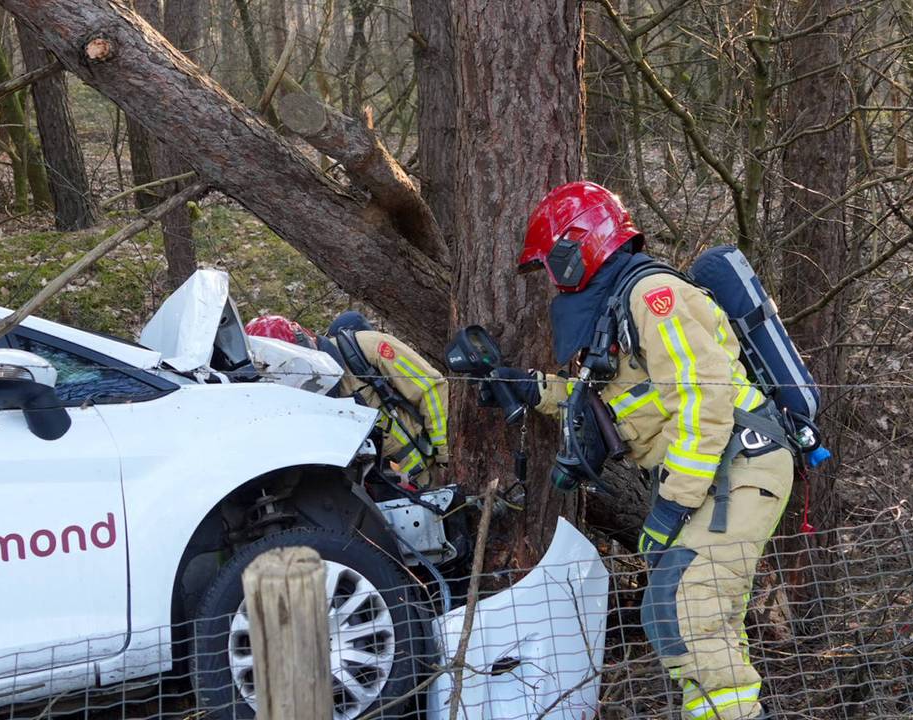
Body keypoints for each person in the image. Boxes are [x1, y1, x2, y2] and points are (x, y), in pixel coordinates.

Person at [501, 181, 792, 720]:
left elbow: (705, 402)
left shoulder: (653, 297)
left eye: (550, 263)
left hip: (739, 461)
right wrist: (529, 388)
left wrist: (672, 505)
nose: (551, 278)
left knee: (689, 611)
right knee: (687, 617)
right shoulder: (614, 308)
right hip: (713, 473)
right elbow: (604, 404)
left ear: (578, 245)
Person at [320, 311, 449, 487]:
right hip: (396, 475)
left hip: (381, 477)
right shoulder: (370, 344)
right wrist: (443, 451)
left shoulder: (322, 361)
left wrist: (443, 452)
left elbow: (430, 388)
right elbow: (431, 388)